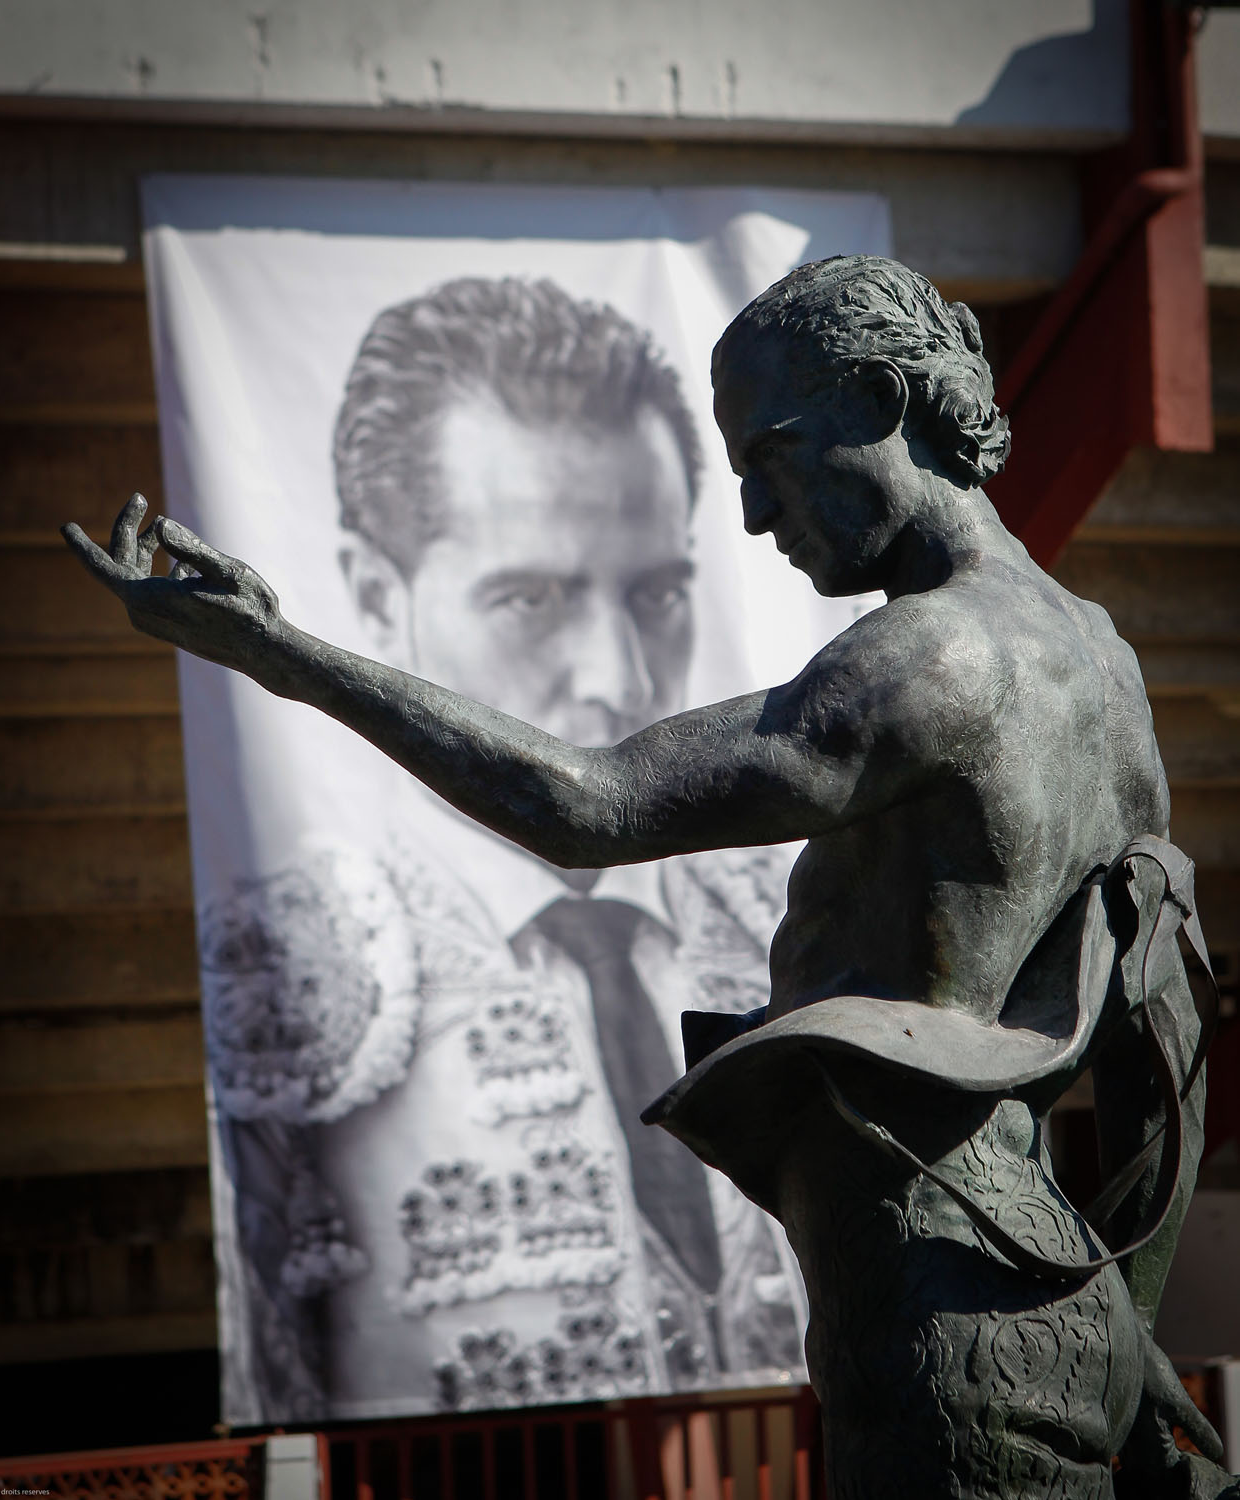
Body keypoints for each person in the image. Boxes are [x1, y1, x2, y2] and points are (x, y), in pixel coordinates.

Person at [65, 255, 1233, 1496]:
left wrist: (279, 652)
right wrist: (1113, 1316)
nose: (750, 517)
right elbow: (1157, 1040)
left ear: (884, 403)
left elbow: (591, 804)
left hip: (928, 1286)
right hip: (1051, 1283)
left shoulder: (928, 660)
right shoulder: (1103, 670)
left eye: (767, 457)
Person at [165, 277, 807, 1420]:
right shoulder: (285, 970)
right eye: (528, 600)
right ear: (372, 593)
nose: (615, 676)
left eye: (656, 594)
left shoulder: (793, 906)